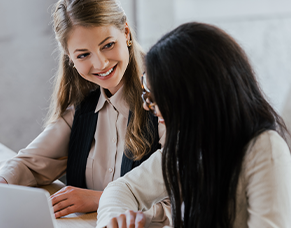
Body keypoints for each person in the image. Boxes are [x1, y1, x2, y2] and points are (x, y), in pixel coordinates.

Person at [96, 22, 291, 228]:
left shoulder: (264, 150)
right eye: (148, 94)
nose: (148, 106)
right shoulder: (188, 144)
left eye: (156, 97)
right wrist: (116, 221)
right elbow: (122, 188)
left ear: (194, 98)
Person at [0, 0, 169, 222]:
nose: (101, 62)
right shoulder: (81, 110)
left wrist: (103, 199)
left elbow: (183, 203)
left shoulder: (161, 106)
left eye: (108, 44)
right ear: (69, 57)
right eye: (83, 55)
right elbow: (26, 163)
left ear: (126, 33)